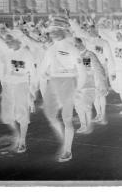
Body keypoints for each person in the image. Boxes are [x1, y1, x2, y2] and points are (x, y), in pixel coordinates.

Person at [39, 16, 85, 163]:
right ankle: (64, 139)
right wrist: (44, 74)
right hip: (53, 83)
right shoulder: (50, 49)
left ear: (63, 31)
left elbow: (82, 71)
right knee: (50, 115)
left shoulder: (72, 49)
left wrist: (78, 89)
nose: (52, 33)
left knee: (67, 118)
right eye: (50, 31)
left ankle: (67, 150)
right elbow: (42, 68)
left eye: (55, 30)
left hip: (69, 83)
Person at [0, 27, 37, 153]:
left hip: (21, 85)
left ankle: (22, 141)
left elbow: (33, 75)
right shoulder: (7, 49)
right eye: (6, 41)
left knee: (22, 115)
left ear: (18, 41)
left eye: (9, 41)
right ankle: (17, 134)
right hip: (8, 85)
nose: (7, 43)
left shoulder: (27, 54)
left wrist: (31, 95)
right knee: (7, 116)